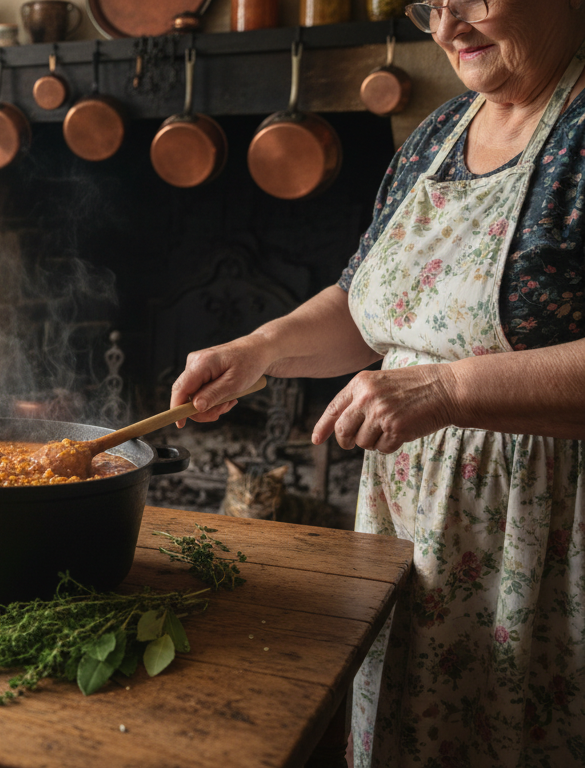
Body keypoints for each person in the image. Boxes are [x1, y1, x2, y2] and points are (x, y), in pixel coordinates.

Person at [170, 0, 585, 765]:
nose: (448, 27)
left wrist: (447, 391)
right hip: (409, 523)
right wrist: (258, 349)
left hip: (545, 529)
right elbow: (369, 308)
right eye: (430, 5)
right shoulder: (440, 132)